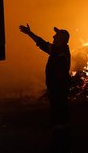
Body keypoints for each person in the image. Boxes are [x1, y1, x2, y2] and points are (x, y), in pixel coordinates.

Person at [19, 23, 71, 152]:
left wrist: (55, 87)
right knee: (57, 116)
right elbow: (41, 43)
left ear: (62, 39)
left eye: (56, 35)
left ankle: (61, 144)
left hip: (58, 91)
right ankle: (60, 141)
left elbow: (60, 72)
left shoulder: (61, 53)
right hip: (56, 90)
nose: (53, 36)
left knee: (59, 116)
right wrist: (29, 33)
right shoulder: (57, 50)